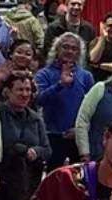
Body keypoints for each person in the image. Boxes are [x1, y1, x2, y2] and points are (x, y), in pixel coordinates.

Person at [0, 71, 50, 200]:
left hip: (25, 184)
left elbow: (47, 149)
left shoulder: (35, 118)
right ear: (8, 92)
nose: (24, 94)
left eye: (28, 90)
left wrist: (35, 152)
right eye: (20, 89)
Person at [36, 32, 95, 171]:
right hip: (52, 137)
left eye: (74, 49)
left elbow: (93, 109)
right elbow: (39, 100)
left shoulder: (86, 76)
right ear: (57, 50)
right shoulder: (44, 74)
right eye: (65, 47)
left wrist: (80, 130)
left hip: (78, 138)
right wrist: (60, 85)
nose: (69, 51)